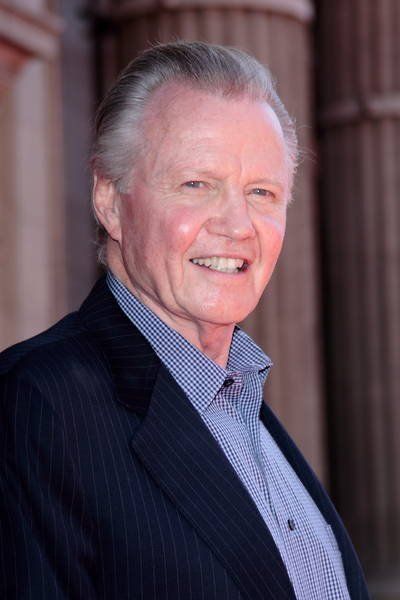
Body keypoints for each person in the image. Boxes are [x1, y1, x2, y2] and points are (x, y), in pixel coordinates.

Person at [0, 41, 368, 599]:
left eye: (262, 192)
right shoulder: (31, 405)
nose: (239, 225)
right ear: (109, 199)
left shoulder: (242, 402)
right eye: (197, 184)